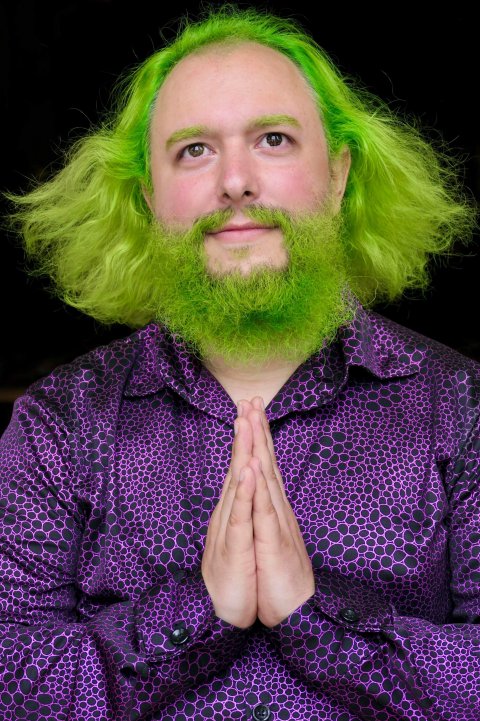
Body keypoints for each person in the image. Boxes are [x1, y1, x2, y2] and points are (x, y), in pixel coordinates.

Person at [1, 6, 479, 720]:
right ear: (148, 197)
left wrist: (314, 618)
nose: (234, 182)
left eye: (273, 140)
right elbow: (12, 682)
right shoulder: (58, 424)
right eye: (194, 150)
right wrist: (200, 610)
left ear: (339, 174)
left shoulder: (460, 406)